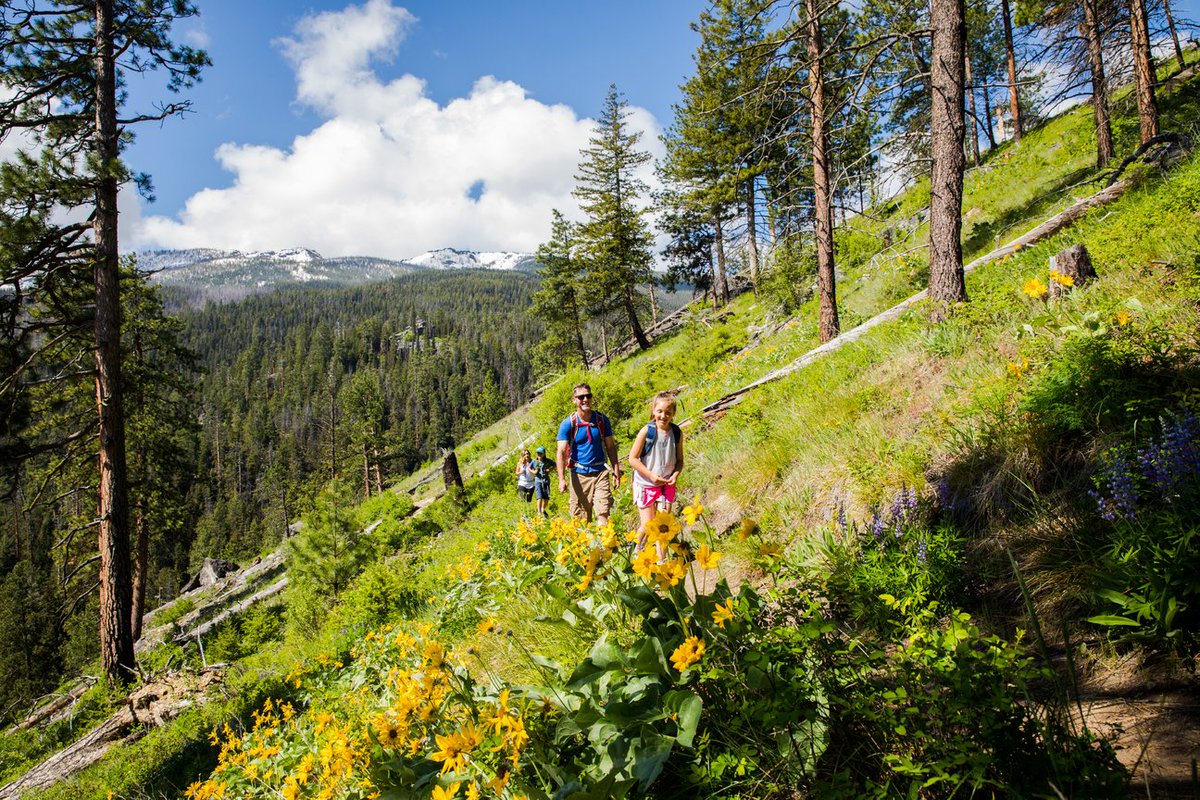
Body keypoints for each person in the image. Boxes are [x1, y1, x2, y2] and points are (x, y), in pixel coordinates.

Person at [557, 383, 621, 525]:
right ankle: (590, 547)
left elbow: (610, 446)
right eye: (581, 397)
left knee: (603, 512)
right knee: (581, 518)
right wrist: (561, 479)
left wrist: (616, 470)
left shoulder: (602, 420)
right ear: (574, 400)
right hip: (578, 474)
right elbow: (561, 452)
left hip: (600, 472)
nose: (585, 399)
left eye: (588, 395)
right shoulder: (568, 423)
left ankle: (604, 544)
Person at [628, 392, 684, 554]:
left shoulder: (677, 433)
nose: (663, 416)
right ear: (653, 411)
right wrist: (651, 475)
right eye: (659, 411)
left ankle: (662, 560)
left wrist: (675, 475)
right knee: (648, 525)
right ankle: (634, 551)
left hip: (667, 484)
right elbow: (633, 458)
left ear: (673, 414)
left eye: (668, 412)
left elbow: (680, 461)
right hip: (646, 483)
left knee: (663, 524)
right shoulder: (647, 431)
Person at [531, 445, 554, 518]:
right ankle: (539, 513)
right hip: (538, 480)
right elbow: (529, 468)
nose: (539, 454)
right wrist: (534, 472)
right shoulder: (534, 461)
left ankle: (542, 509)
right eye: (537, 453)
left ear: (544, 453)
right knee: (539, 497)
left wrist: (549, 470)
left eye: (540, 453)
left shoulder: (547, 461)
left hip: (546, 480)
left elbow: (555, 464)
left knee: (546, 498)